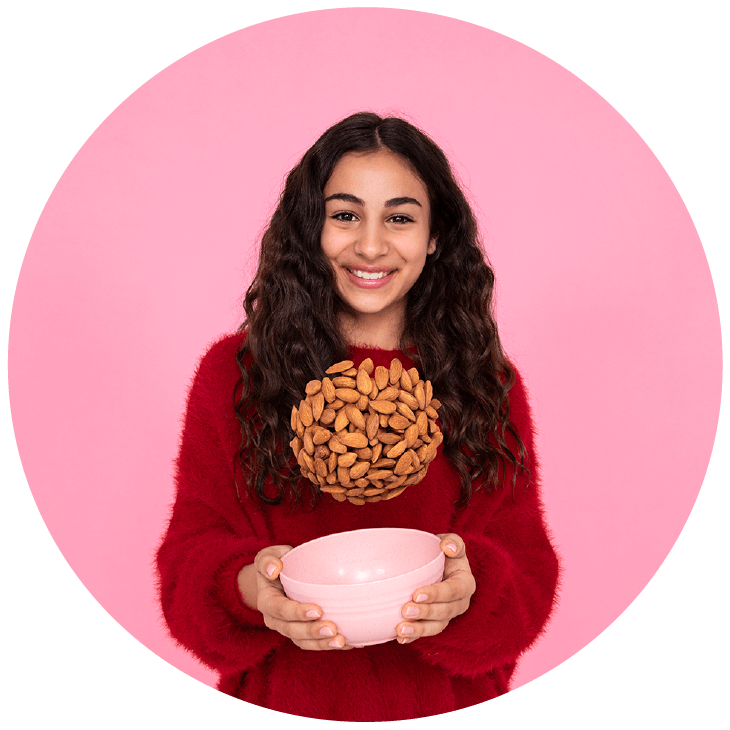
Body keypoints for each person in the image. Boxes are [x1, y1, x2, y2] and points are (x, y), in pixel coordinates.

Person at [155, 112, 561, 720]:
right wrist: (250, 589)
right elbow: (189, 561)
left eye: (399, 217)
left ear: (435, 236)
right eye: (345, 215)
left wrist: (468, 587)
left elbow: (526, 578)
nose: (371, 245)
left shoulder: (486, 384)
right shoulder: (235, 377)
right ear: (310, 228)